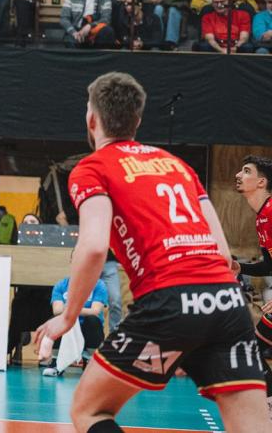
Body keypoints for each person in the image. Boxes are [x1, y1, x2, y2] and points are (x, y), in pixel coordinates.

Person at [35, 72, 269, 433]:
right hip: (226, 301)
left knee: (89, 410)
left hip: (170, 301)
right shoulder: (179, 166)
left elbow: (95, 246)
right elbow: (224, 254)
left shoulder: (92, 168)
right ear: (138, 120)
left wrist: (67, 318)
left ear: (92, 118)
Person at [231, 156, 272, 405]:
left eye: (246, 171)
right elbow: (270, 265)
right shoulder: (262, 217)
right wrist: (239, 267)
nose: (238, 174)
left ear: (261, 182)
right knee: (253, 349)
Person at [44, 274, 108, 376]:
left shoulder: (98, 285)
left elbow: (95, 311)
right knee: (56, 320)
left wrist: (69, 309)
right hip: (67, 327)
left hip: (88, 328)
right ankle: (56, 361)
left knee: (92, 320)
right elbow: (57, 310)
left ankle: (90, 361)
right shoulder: (61, 285)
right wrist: (79, 311)